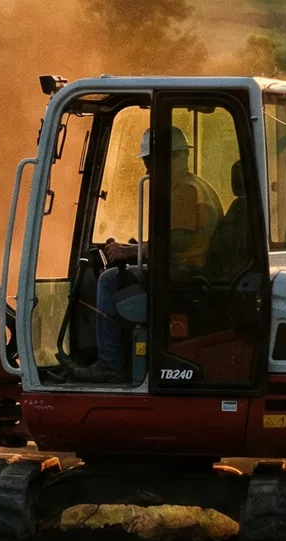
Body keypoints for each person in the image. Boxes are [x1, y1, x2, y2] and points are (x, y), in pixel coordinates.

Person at [75, 127, 222, 382]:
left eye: (149, 163)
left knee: (108, 281)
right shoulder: (200, 185)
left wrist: (132, 250)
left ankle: (109, 365)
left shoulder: (184, 190)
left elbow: (178, 240)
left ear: (167, 158)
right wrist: (138, 248)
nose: (147, 171)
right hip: (194, 277)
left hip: (182, 280)